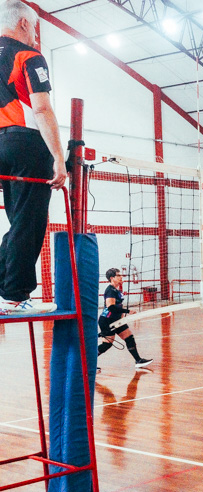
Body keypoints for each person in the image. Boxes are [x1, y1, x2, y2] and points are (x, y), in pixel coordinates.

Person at [0, 1, 67, 315]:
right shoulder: (29, 56)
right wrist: (59, 157)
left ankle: (6, 291)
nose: (35, 36)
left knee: (19, 223)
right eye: (35, 29)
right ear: (24, 23)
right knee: (30, 222)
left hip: (1, 147)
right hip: (25, 142)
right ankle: (15, 296)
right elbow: (41, 108)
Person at [97, 268, 152, 368]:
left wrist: (122, 317)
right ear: (112, 278)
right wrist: (128, 311)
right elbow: (111, 307)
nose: (121, 277)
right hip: (107, 321)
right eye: (118, 275)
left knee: (129, 337)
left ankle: (138, 361)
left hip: (117, 320)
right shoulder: (110, 290)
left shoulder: (116, 290)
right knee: (107, 345)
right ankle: (87, 363)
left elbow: (118, 305)